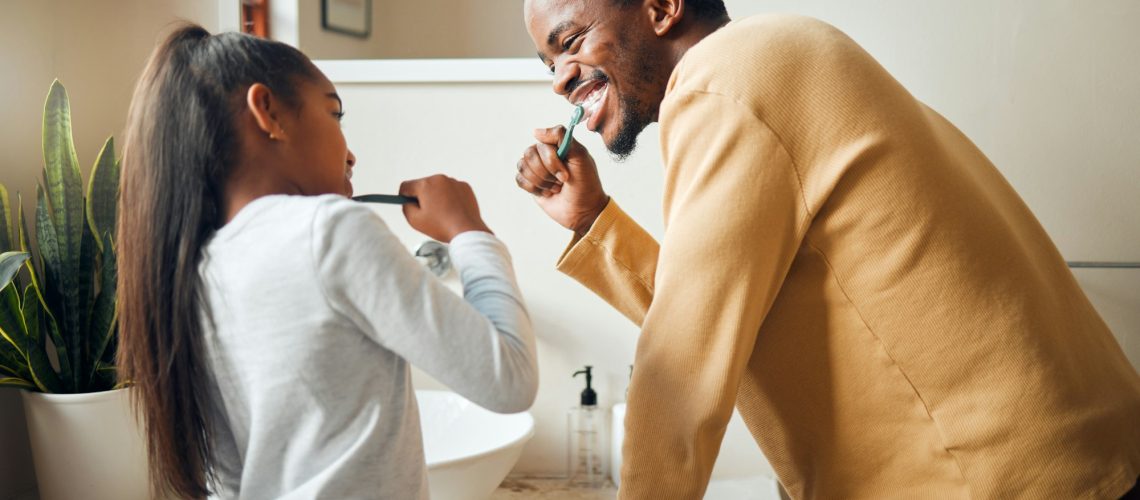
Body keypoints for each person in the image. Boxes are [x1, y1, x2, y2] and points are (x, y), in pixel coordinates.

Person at [514, 0, 1140, 498]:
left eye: (569, 43)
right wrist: (593, 219)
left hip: (991, 479)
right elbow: (717, 315)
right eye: (548, 64)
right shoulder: (771, 58)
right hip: (1071, 459)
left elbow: (681, 365)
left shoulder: (722, 83)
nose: (561, 81)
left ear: (661, 7)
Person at [116, 24, 538, 499]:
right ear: (268, 111)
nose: (350, 152)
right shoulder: (329, 230)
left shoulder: (194, 267)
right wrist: (469, 230)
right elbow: (510, 380)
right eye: (334, 114)